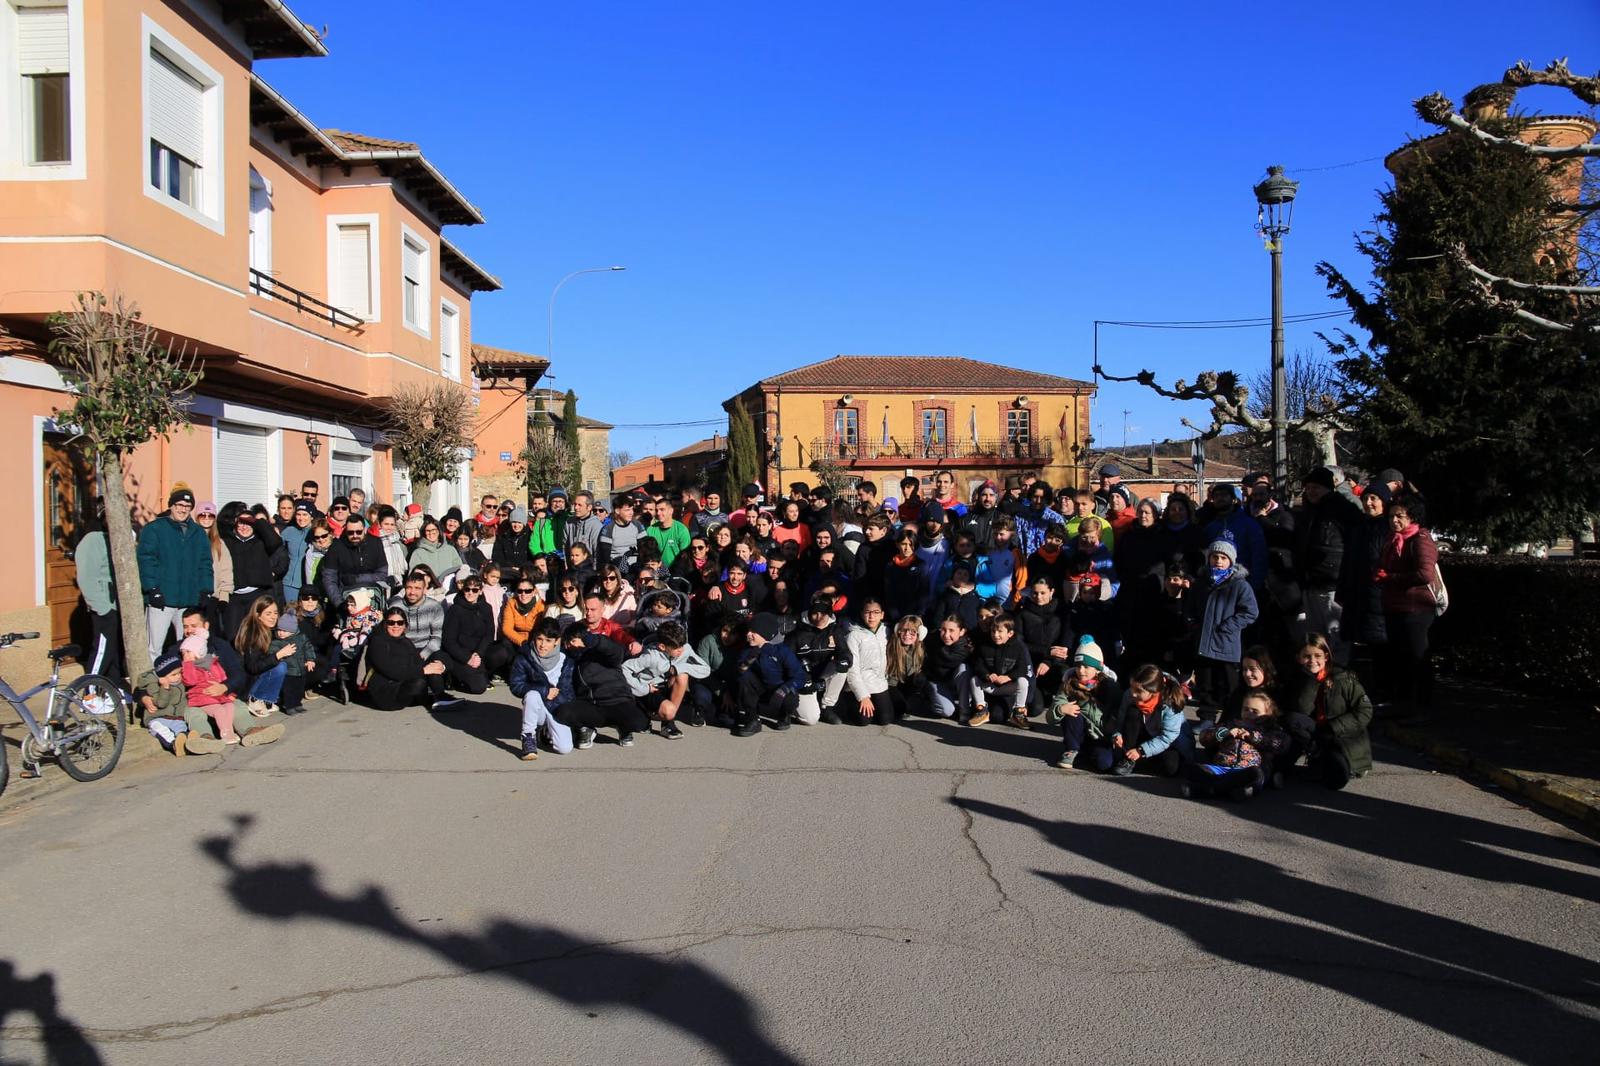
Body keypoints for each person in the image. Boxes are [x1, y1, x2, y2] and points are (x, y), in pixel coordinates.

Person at [1375, 494, 1440, 710]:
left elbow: (1425, 574)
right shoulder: (1392, 539)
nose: (1394, 520)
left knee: (1417, 657)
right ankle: (1402, 702)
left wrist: (1390, 578)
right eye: (1391, 516)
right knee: (1399, 658)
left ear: (1412, 517)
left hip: (1416, 609)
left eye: (1400, 516)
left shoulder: (1420, 539)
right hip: (1394, 606)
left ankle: (1422, 705)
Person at [1284, 632, 1373, 789]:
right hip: (1317, 734)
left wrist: (1334, 727)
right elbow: (1302, 710)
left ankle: (1339, 765)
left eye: (1317, 656)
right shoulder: (1299, 679)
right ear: (1298, 658)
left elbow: (1364, 711)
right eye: (1307, 656)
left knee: (1335, 777)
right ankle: (1282, 769)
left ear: (1326, 656)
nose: (1312, 661)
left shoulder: (1343, 678)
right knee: (1291, 720)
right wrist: (1310, 681)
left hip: (1340, 736)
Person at [1294, 466, 1362, 664]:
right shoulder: (1307, 511)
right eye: (1308, 487)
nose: (1311, 491)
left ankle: (1339, 673)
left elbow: (1354, 547)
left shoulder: (1343, 510)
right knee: (1316, 639)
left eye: (1316, 487)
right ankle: (1319, 674)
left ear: (1328, 487)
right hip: (1310, 583)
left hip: (1334, 585)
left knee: (1336, 636)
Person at [1189, 540, 1260, 723]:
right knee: (1206, 684)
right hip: (1204, 643)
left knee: (1229, 685)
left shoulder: (1240, 585)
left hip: (1226, 644)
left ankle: (1231, 720)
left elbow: (1250, 612)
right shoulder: (1202, 582)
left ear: (1231, 561)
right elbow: (1190, 607)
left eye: (1223, 557)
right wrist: (1193, 624)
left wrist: (1228, 626)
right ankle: (1207, 719)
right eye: (1215, 557)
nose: (1218, 561)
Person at [137, 487, 213, 652]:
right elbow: (146, 560)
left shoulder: (198, 533)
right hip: (162, 599)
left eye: (187, 506)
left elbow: (205, 563)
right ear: (171, 505)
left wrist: (206, 590)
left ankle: (185, 670)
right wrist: (152, 589)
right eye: (179, 505)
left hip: (189, 600)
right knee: (154, 646)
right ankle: (152, 670)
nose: (183, 509)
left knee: (189, 646)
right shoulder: (155, 529)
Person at [1185, 691, 1290, 800]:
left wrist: (1253, 737)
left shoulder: (1269, 729)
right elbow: (1204, 738)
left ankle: (1209, 790)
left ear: (1267, 713)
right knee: (1192, 769)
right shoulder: (1231, 724)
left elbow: (1280, 744)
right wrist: (1224, 733)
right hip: (1223, 767)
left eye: (1255, 711)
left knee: (1255, 774)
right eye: (1246, 709)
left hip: (1246, 770)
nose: (1249, 713)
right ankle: (1228, 790)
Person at [561, 623, 651, 748]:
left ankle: (624, 728)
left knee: (639, 723)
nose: (569, 645)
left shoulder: (601, 652)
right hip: (592, 704)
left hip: (617, 700)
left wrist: (593, 640)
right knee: (563, 712)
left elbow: (615, 651)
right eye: (567, 642)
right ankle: (586, 728)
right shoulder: (570, 660)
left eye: (573, 641)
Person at [623, 621, 709, 739]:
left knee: (682, 675)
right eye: (676, 648)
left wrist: (678, 668)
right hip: (649, 689)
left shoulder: (685, 648)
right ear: (662, 647)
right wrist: (642, 688)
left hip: (666, 686)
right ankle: (647, 711)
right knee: (642, 723)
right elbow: (624, 668)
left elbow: (705, 669)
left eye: (682, 646)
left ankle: (668, 723)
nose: (681, 650)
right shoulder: (651, 656)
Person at [508, 617, 578, 760]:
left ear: (556, 641)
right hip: (537, 705)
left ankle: (545, 732)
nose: (542, 645)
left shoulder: (566, 660)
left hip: (557, 707)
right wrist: (545, 691)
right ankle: (528, 738)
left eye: (548, 641)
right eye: (539, 639)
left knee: (564, 749)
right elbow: (516, 685)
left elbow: (571, 691)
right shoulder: (525, 656)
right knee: (532, 695)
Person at [136, 650, 227, 756]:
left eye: (179, 673)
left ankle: (188, 742)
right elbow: (161, 703)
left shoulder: (180, 683)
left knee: (181, 730)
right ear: (162, 677)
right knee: (162, 730)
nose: (178, 676)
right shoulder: (155, 686)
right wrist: (164, 688)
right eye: (174, 674)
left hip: (177, 717)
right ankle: (174, 744)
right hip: (157, 717)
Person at [1052, 636, 1123, 772]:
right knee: (1072, 711)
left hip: (1101, 735)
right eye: (1078, 666)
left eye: (1086, 667)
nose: (1081, 671)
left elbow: (1120, 713)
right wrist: (1060, 709)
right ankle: (1072, 749)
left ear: (1097, 669)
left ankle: (1084, 753)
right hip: (1079, 730)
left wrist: (1116, 731)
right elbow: (1051, 716)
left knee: (1104, 764)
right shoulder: (1069, 683)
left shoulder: (1110, 687)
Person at [1110, 665, 1195, 777]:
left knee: (1171, 767)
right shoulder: (1129, 695)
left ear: (1154, 692)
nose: (1133, 693)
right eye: (1132, 687)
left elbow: (1167, 737)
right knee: (1132, 711)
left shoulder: (1170, 702)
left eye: (1138, 691)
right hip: (1142, 733)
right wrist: (1117, 734)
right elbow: (1120, 719)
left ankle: (1143, 757)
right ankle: (1128, 758)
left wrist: (1141, 751)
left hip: (1168, 742)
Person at [72, 500, 122, 684]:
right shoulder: (92, 539)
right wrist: (102, 608)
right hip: (104, 606)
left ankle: (113, 689)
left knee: (113, 652)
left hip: (115, 605)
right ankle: (89, 690)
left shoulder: (114, 537)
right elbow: (86, 577)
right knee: (102, 650)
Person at [366, 608, 450, 711]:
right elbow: (392, 671)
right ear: (385, 624)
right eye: (391, 623)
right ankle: (439, 698)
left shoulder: (406, 642)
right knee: (419, 683)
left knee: (438, 657)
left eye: (400, 623)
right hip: (386, 691)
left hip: (402, 683)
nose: (396, 626)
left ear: (405, 625)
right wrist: (423, 670)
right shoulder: (378, 642)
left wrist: (435, 667)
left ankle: (441, 697)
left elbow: (417, 662)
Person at [439, 577, 511, 695]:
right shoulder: (455, 610)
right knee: (478, 688)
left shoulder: (486, 608)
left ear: (480, 591)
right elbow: (449, 641)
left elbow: (489, 634)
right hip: (461, 654)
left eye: (475, 590)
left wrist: (478, 653)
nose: (470, 593)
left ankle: (483, 673)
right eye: (467, 589)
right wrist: (467, 658)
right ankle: (456, 678)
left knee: (501, 652)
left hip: (479, 652)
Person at [787, 594, 852, 725]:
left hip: (822, 673)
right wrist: (802, 678)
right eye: (815, 613)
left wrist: (845, 660)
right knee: (810, 720)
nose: (819, 617)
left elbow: (845, 652)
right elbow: (786, 658)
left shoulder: (834, 629)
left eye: (823, 613)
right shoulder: (797, 628)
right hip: (802, 677)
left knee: (842, 667)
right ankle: (791, 705)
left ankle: (826, 707)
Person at [233, 595, 294, 718]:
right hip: (247, 681)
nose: (273, 617)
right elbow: (253, 667)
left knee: (283, 664)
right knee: (280, 666)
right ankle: (255, 698)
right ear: (258, 615)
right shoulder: (253, 634)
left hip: (257, 675)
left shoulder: (270, 630)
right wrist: (278, 655)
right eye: (268, 613)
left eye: (275, 613)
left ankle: (267, 700)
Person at [970, 612, 1030, 728]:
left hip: (1008, 686)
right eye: (993, 631)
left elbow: (1023, 669)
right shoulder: (984, 646)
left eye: (1000, 631)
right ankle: (981, 711)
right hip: (990, 685)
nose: (996, 635)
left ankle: (1018, 713)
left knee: (1023, 681)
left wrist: (1008, 677)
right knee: (974, 680)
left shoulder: (1018, 647)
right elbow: (978, 666)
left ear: (1010, 633)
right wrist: (987, 675)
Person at [842, 598, 892, 725]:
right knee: (863, 720)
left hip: (879, 683)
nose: (871, 616)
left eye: (876, 612)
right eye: (867, 612)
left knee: (885, 719)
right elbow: (852, 670)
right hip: (859, 683)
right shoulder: (853, 636)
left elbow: (907, 628)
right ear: (861, 613)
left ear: (882, 614)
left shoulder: (886, 631)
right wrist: (863, 696)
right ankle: (847, 702)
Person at [321, 514, 389, 604]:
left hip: (372, 595)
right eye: (350, 532)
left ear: (365, 530)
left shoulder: (375, 543)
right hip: (346, 597)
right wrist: (339, 603)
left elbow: (382, 574)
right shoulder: (336, 547)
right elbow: (329, 579)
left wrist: (357, 579)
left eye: (359, 532)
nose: (355, 535)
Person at [923, 614, 974, 721]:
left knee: (964, 668)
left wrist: (937, 646)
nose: (946, 635)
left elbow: (949, 660)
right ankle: (930, 698)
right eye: (943, 630)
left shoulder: (966, 646)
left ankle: (964, 710)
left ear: (962, 631)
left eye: (951, 630)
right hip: (936, 680)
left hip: (954, 682)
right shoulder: (931, 639)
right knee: (946, 710)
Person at [395, 573, 445, 657]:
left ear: (424, 590)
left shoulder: (434, 607)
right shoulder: (396, 606)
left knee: (444, 661)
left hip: (427, 650)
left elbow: (437, 637)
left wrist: (423, 655)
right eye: (409, 587)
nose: (412, 592)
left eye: (417, 588)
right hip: (402, 651)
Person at [500, 575, 544, 653]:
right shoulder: (511, 603)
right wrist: (522, 642)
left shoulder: (541, 605)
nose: (523, 594)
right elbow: (507, 628)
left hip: (534, 641)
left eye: (528, 591)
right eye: (520, 591)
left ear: (534, 592)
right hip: (515, 639)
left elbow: (541, 629)